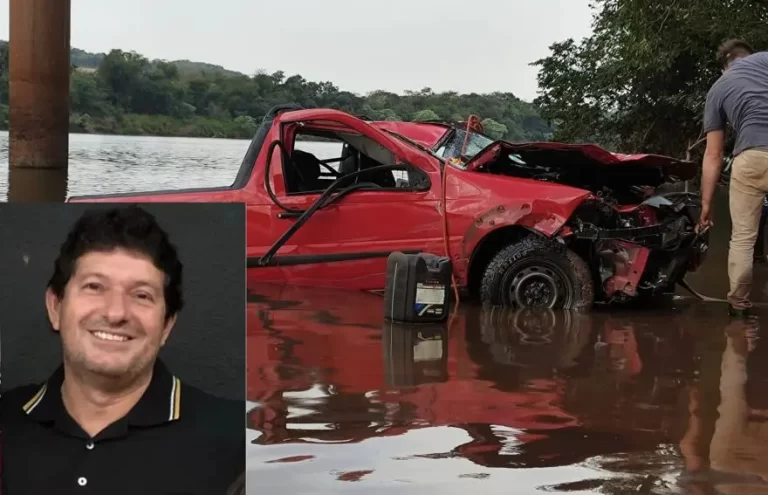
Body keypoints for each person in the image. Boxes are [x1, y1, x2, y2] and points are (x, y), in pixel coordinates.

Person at [0, 205, 244, 495]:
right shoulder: (6, 422)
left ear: (166, 325)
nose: (116, 313)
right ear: (55, 307)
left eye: (141, 295)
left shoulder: (238, 440)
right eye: (94, 287)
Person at [698, 39, 768, 316]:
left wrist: (706, 205)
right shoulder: (765, 60)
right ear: (748, 56)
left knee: (742, 239)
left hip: (749, 160)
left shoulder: (719, 88)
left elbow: (713, 155)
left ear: (724, 67)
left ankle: (738, 307)